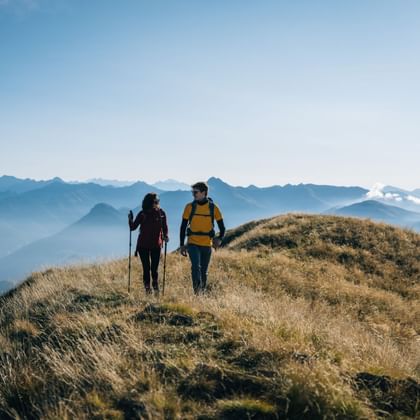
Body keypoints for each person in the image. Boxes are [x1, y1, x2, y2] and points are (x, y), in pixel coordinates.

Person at [179, 181, 226, 294]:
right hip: (193, 243)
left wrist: (219, 239)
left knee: (204, 271)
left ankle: (202, 291)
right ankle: (197, 293)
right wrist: (182, 245)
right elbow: (183, 227)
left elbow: (222, 227)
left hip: (207, 244)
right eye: (192, 192)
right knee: (196, 267)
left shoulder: (213, 208)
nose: (193, 194)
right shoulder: (189, 207)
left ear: (204, 193)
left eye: (195, 192)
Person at [128, 193, 169, 295]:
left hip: (154, 245)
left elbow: (165, 227)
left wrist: (166, 236)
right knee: (146, 268)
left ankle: (154, 288)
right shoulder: (143, 214)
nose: (157, 203)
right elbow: (133, 227)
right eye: (156, 201)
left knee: (154, 269)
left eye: (158, 201)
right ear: (150, 202)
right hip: (144, 246)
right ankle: (148, 290)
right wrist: (130, 220)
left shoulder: (161, 213)